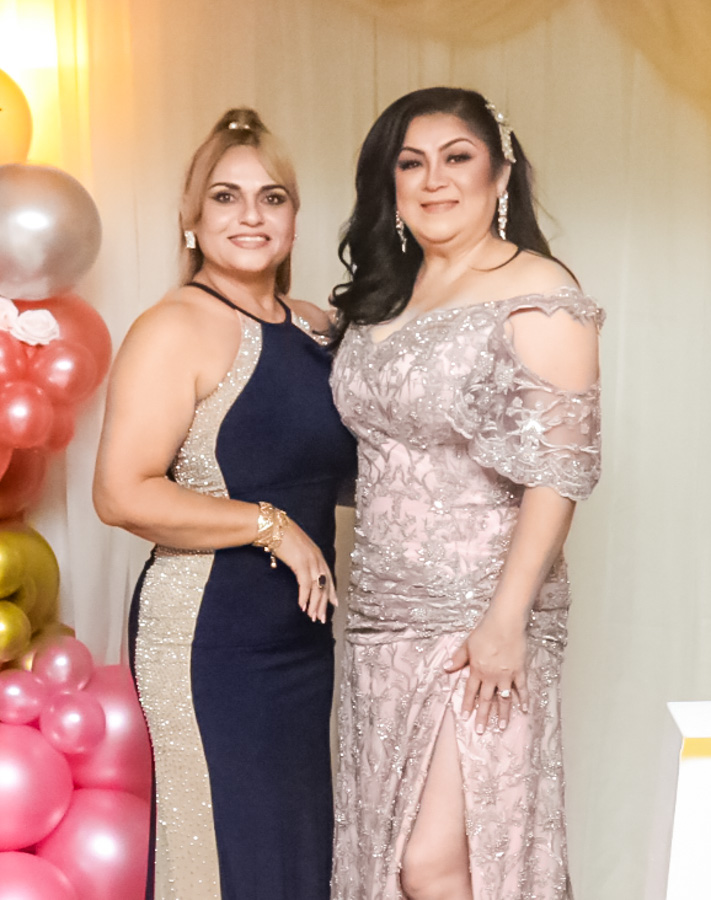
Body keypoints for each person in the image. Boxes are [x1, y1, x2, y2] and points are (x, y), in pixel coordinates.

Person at [329, 87, 603, 900]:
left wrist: (505, 619)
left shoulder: (537, 290)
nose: (433, 180)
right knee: (383, 853)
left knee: (438, 861)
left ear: (500, 175)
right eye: (410, 163)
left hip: (478, 615)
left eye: (457, 158)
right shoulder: (384, 298)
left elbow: (556, 472)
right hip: (380, 617)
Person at [93, 108, 356, 900]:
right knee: (222, 859)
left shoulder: (314, 329)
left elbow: (334, 470)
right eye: (225, 196)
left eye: (271, 198)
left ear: (294, 218)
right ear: (191, 217)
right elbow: (120, 492)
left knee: (292, 860)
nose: (250, 215)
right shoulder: (175, 326)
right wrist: (271, 526)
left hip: (299, 638)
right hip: (210, 639)